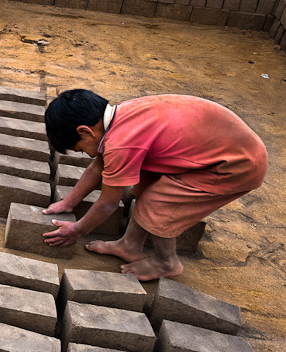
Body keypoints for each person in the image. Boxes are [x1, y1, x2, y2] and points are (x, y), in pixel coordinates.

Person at [42, 89, 267, 281]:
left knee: (156, 204)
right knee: (143, 187)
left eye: (80, 149)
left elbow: (108, 204)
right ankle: (129, 246)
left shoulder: (121, 143)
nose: (85, 154)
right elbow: (99, 165)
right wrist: (69, 202)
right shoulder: (119, 116)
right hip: (222, 146)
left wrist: (77, 231)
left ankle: (166, 262)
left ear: (85, 131)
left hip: (235, 166)